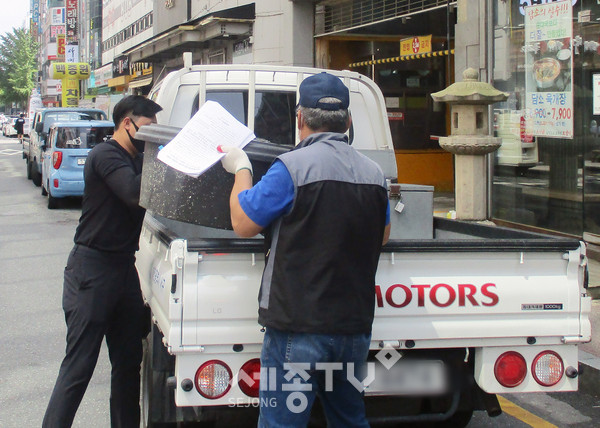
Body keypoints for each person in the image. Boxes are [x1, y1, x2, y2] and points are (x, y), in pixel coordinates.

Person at [219, 72, 391, 427]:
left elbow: (243, 222)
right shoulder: (374, 174)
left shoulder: (291, 169)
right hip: (353, 329)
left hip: (297, 330)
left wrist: (241, 169)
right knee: (349, 420)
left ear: (300, 118)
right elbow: (383, 234)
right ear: (348, 121)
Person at [43, 95, 162, 428]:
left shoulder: (136, 159)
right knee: (78, 368)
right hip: (91, 270)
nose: (150, 139)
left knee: (127, 364)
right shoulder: (105, 155)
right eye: (148, 130)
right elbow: (133, 193)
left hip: (123, 269)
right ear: (128, 122)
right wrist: (162, 160)